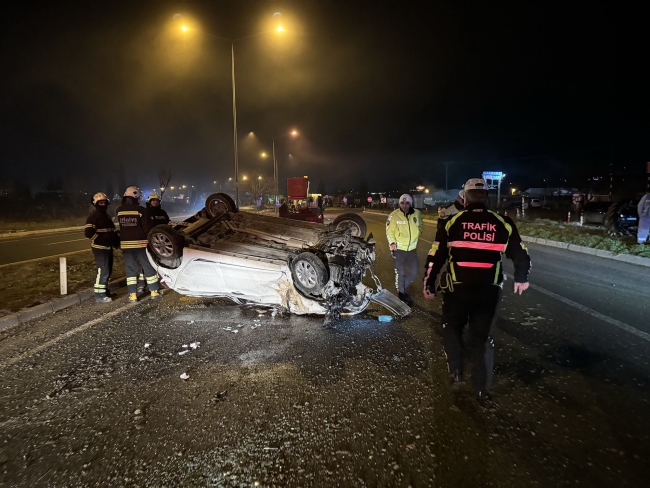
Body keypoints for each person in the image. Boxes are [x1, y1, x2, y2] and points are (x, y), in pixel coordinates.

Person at [423, 178, 531, 402]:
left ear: (465, 197)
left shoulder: (450, 222)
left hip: (457, 290)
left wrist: (429, 282)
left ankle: (456, 372)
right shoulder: (503, 222)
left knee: (452, 329)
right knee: (481, 339)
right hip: (488, 291)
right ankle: (481, 390)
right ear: (486, 197)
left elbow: (436, 256)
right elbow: (520, 253)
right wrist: (521, 277)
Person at [116, 186, 162, 303]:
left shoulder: (119, 210)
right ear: (136, 197)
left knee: (130, 269)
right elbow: (147, 228)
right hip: (141, 244)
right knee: (148, 267)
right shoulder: (141, 211)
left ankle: (132, 294)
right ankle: (154, 291)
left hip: (126, 245)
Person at [386, 194, 423, 306]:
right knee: (401, 272)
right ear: (399, 203)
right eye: (402, 203)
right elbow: (389, 231)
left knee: (414, 272)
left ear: (410, 203)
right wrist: (392, 242)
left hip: (412, 249)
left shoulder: (417, 213)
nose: (404, 205)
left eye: (407, 203)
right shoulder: (394, 215)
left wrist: (418, 232)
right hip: (399, 250)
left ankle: (401, 287)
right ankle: (401, 293)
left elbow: (420, 225)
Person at [85, 192, 120, 303]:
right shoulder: (93, 217)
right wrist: (102, 240)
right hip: (100, 248)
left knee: (107, 270)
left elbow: (110, 231)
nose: (102, 204)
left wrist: (115, 241)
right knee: (103, 270)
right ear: (95, 203)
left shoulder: (106, 216)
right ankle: (99, 295)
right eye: (100, 202)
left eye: (104, 202)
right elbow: (88, 233)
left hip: (108, 248)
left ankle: (104, 290)